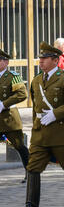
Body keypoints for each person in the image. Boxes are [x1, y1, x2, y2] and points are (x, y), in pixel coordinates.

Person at [10, 42, 64, 207]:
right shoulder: (36, 80)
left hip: (59, 133)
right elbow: (36, 107)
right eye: (40, 58)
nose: (40, 61)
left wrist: (55, 113)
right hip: (41, 133)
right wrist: (35, 126)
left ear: (55, 60)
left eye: (44, 58)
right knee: (33, 168)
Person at [0, 49, 29, 183]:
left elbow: (22, 94)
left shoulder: (13, 76)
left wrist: (4, 104)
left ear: (6, 62)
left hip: (9, 119)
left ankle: (30, 173)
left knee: (19, 146)